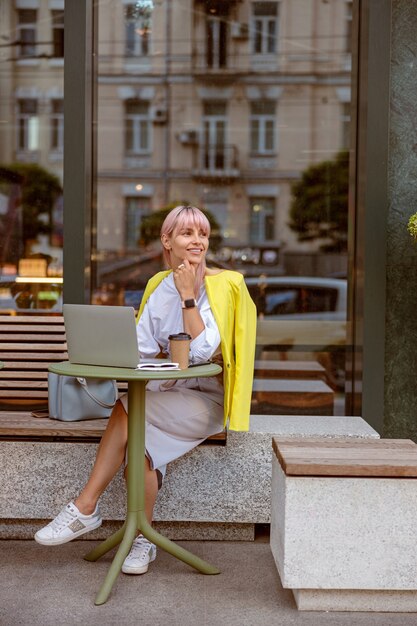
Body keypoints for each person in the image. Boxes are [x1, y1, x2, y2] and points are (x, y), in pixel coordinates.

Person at [35, 205, 256, 575]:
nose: (197, 241)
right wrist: (98, 349)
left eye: (202, 234)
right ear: (166, 241)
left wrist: (189, 296)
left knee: (126, 408)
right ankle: (143, 539)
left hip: (205, 401)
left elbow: (202, 352)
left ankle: (84, 508)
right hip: (162, 395)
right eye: (187, 233)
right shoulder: (157, 285)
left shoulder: (226, 285)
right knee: (140, 453)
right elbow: (138, 348)